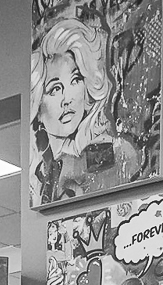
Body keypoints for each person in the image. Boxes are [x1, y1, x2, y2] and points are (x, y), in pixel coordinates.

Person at [30, 14, 140, 203]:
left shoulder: (112, 151)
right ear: (37, 105)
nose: (67, 99)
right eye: (55, 89)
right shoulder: (40, 175)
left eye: (75, 80)